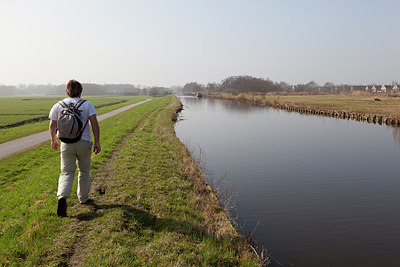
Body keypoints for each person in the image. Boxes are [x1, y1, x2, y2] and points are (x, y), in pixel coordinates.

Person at [48, 80, 101, 217]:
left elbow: (52, 125)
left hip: (66, 143)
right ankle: (83, 198)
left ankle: (62, 197)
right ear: (81, 91)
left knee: (66, 172)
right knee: (84, 171)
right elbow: (94, 123)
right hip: (84, 142)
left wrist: (54, 140)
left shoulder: (58, 105)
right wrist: (97, 142)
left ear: (67, 91)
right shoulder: (87, 104)